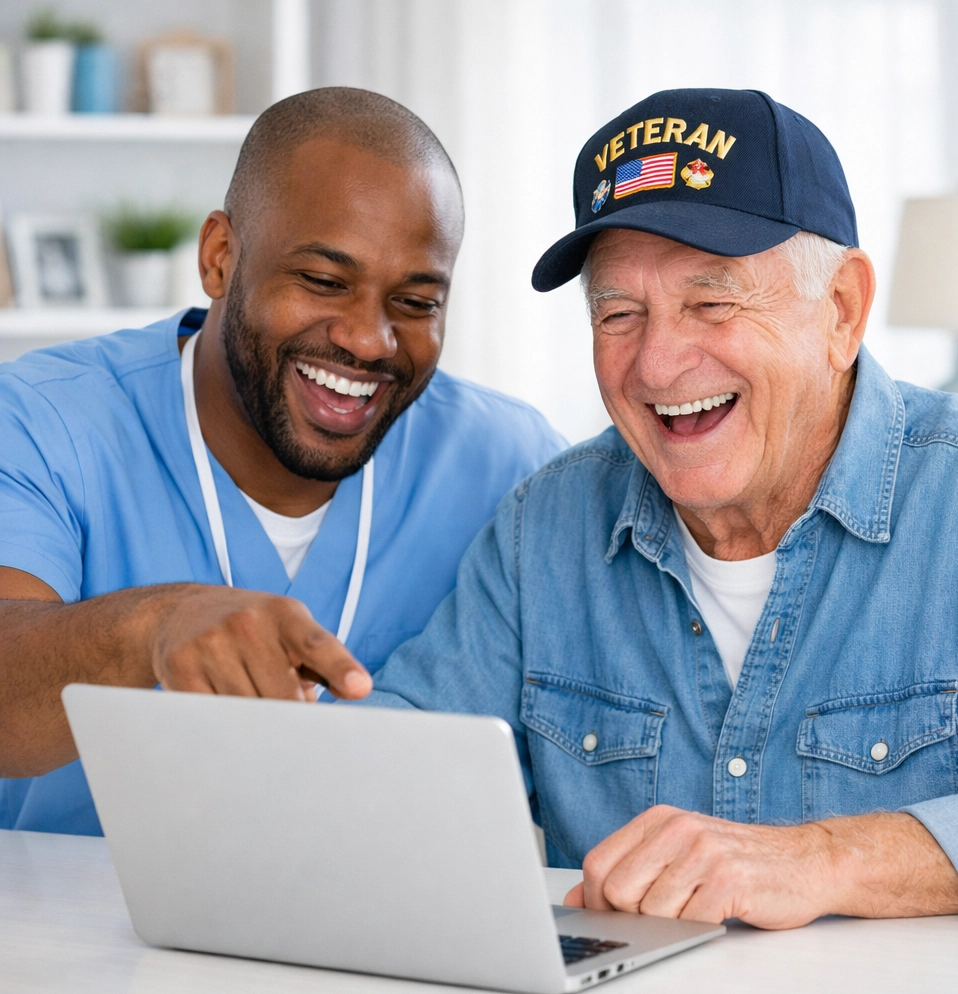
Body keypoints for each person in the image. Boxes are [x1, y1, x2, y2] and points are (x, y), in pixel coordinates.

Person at [361, 89, 958, 927]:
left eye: (712, 303)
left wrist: (824, 860)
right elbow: (404, 766)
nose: (659, 364)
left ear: (843, 311)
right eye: (618, 313)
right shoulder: (544, 528)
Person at [0, 88, 564, 835]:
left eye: (416, 302)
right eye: (324, 282)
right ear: (220, 258)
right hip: (80, 939)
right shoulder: (43, 418)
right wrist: (154, 628)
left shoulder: (511, 463)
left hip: (385, 941)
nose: (369, 340)